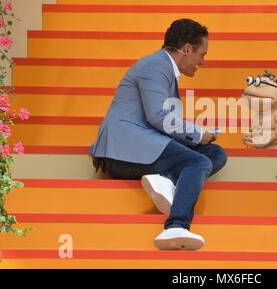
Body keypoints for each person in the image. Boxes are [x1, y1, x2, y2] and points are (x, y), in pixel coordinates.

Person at [89, 18, 228, 251]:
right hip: (124, 151)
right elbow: (158, 116)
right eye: (202, 54)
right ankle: (176, 225)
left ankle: (167, 181)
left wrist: (199, 137)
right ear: (186, 49)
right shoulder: (155, 65)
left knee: (215, 153)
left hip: (143, 146)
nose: (203, 61)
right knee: (198, 160)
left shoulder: (163, 68)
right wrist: (196, 133)